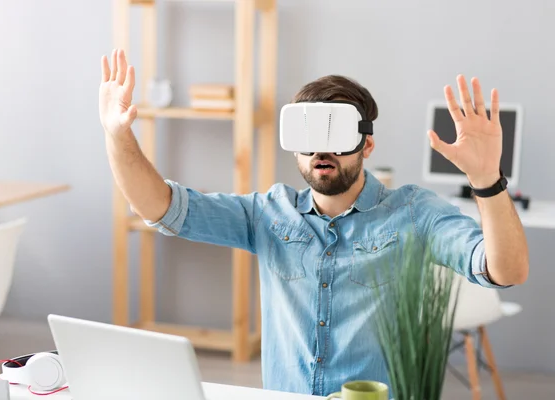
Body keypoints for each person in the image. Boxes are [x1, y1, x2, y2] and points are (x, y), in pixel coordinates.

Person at [98, 48, 529, 396]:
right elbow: (162, 207)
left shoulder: (413, 212)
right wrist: (117, 135)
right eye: (309, 134)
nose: (322, 149)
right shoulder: (268, 212)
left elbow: (506, 270)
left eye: (336, 133)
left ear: (367, 144)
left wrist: (486, 181)